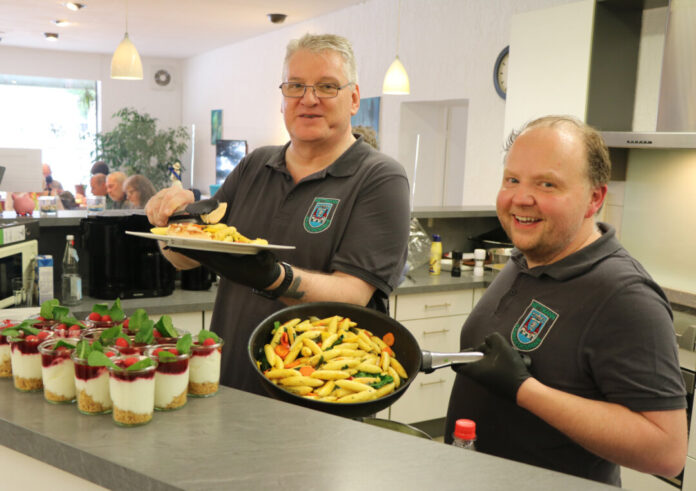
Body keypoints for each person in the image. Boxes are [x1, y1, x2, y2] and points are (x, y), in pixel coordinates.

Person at [146, 33, 410, 395]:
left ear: (353, 99)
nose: (309, 99)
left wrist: (273, 277)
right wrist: (169, 221)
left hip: (315, 397)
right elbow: (185, 257)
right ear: (283, 97)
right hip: (229, 381)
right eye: (296, 86)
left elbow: (353, 295)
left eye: (327, 86)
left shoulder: (380, 178)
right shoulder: (255, 165)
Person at [444, 115, 687, 485]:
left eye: (547, 184)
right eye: (512, 180)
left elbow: (666, 451)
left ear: (595, 199)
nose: (521, 198)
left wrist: (526, 390)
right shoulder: (527, 258)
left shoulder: (624, 295)